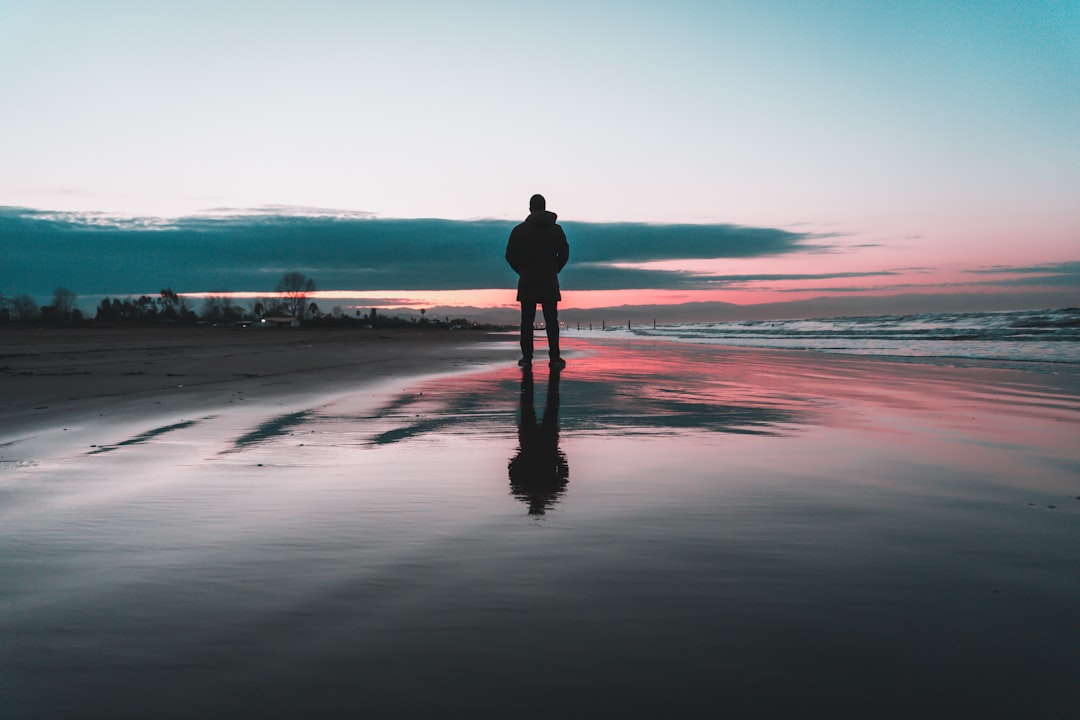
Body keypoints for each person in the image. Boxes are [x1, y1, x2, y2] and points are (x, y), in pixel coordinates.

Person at [505, 194, 570, 368]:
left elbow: (509, 256)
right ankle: (554, 358)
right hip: (549, 280)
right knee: (551, 322)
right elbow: (564, 254)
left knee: (527, 321)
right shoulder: (556, 230)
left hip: (528, 280)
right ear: (544, 207)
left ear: (530, 208)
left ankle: (527, 358)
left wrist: (522, 270)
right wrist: (554, 269)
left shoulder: (519, 231)